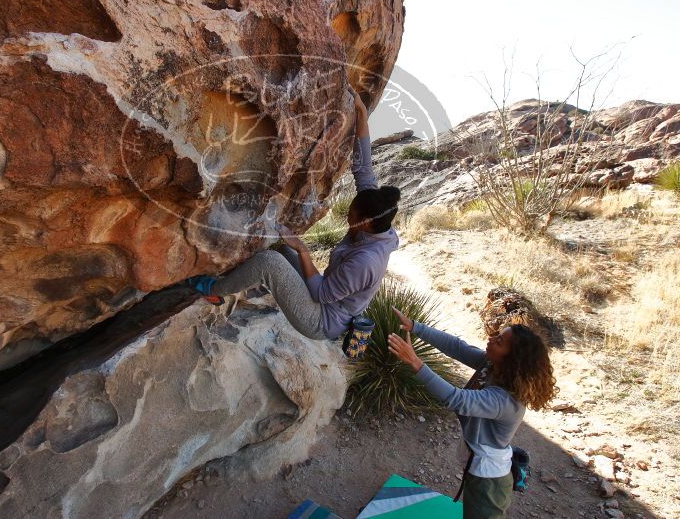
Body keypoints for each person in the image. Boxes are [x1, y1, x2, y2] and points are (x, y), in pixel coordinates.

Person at [187, 86, 400, 340]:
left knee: (271, 263)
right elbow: (364, 168)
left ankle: (214, 290)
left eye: (351, 216)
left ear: (365, 223)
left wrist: (302, 249)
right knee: (277, 247)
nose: (347, 217)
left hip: (321, 319)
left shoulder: (367, 262)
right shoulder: (375, 215)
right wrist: (361, 114)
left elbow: (320, 293)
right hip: (323, 298)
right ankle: (238, 282)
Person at [386, 307, 558, 519]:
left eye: (499, 341)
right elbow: (457, 347)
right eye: (497, 335)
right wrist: (415, 326)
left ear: (512, 358)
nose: (491, 338)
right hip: (479, 468)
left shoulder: (505, 400)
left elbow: (456, 399)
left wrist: (414, 361)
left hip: (489, 482)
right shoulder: (494, 366)